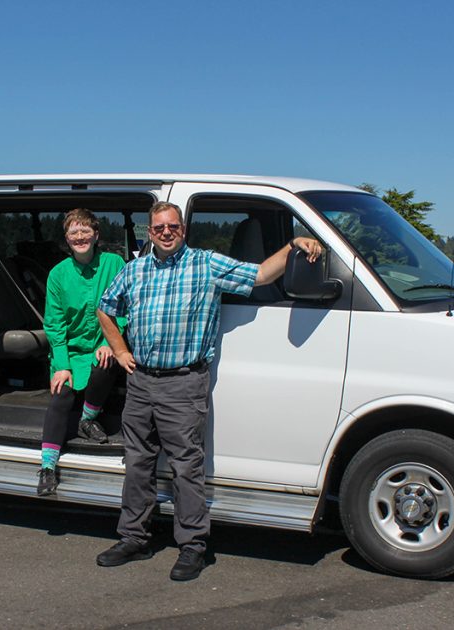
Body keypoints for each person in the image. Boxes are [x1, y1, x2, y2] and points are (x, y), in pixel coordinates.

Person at [94, 202, 323, 581]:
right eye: (158, 228)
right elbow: (105, 308)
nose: (166, 232)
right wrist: (119, 350)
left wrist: (294, 245)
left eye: (173, 226)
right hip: (141, 382)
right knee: (137, 464)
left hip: (184, 382)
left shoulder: (206, 264)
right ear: (149, 233)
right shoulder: (134, 270)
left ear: (183, 229)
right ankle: (133, 538)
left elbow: (262, 274)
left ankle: (193, 547)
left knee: (187, 467)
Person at [37, 209, 126, 496]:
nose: (80, 237)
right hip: (70, 351)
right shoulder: (58, 275)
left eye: (85, 231)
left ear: (96, 234)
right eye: (74, 232)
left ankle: (87, 419)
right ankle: (47, 467)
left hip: (102, 344)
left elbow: (124, 306)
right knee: (61, 394)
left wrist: (109, 340)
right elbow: (54, 324)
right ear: (66, 239)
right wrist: (61, 365)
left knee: (105, 361)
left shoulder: (114, 263)